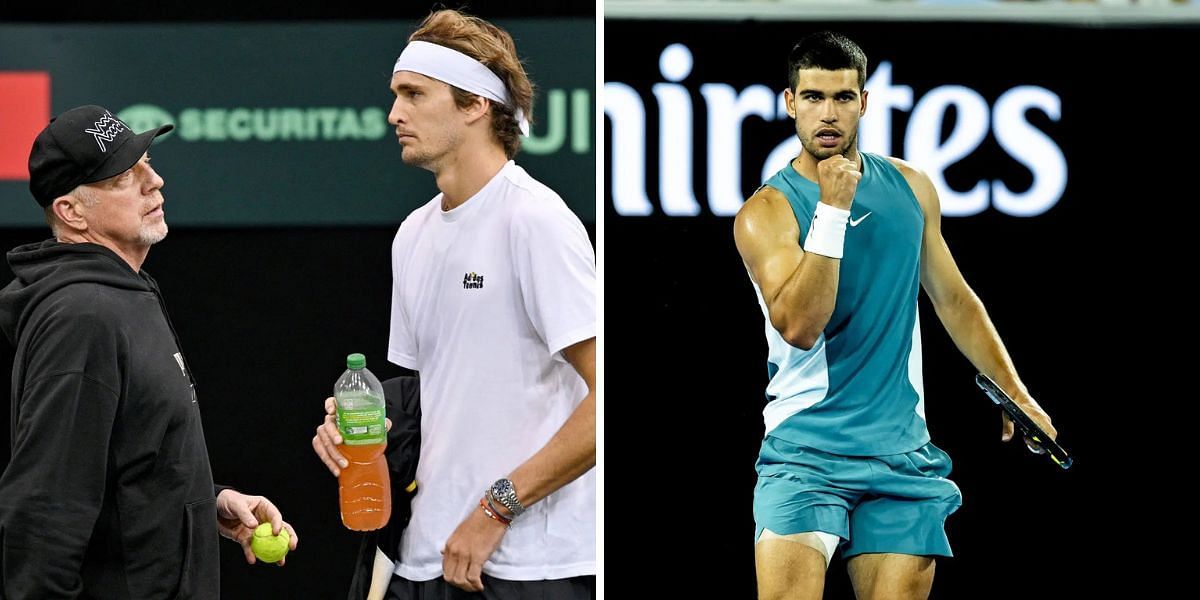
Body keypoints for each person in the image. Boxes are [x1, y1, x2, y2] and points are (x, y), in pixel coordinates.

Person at [732, 32, 1059, 599]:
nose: (826, 114)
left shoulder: (911, 188)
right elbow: (801, 325)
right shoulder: (766, 212)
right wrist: (832, 209)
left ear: (864, 102)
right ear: (789, 103)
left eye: (841, 97)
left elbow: (954, 299)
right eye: (812, 98)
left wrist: (1018, 394)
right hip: (806, 451)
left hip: (900, 455)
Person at [310, 9, 596, 600]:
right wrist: (363, 428)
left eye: (414, 94)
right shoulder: (412, 235)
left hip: (526, 567)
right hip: (424, 561)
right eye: (395, 95)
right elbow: (432, 398)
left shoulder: (535, 220)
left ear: (475, 106)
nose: (394, 113)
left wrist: (497, 507)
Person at [0, 105, 298, 599]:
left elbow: (132, 459)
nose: (155, 181)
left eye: (147, 164)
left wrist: (208, 503)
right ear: (72, 212)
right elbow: (43, 512)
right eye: (124, 177)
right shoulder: (84, 316)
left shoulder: (125, 294)